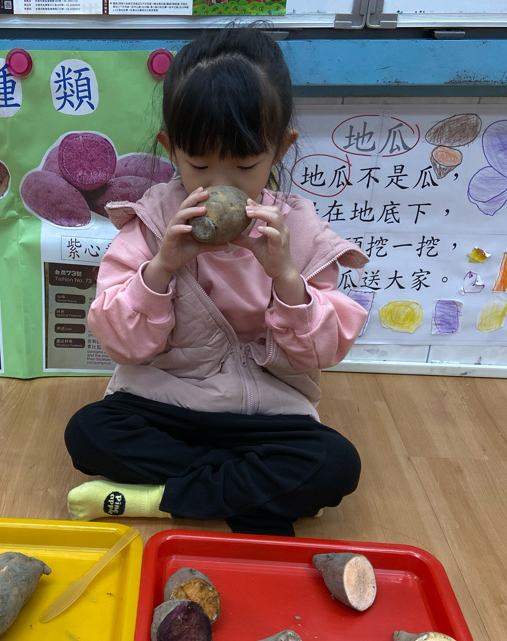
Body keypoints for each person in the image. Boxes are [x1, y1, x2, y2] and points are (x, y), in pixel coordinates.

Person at [63, 25, 369, 537]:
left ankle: (158, 500)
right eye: (200, 165)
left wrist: (286, 278)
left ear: (280, 149)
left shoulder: (299, 232)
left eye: (245, 165)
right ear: (170, 148)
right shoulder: (151, 224)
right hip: (165, 404)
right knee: (87, 433)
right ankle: (255, 493)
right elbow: (123, 345)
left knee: (337, 464)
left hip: (264, 417)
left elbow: (324, 351)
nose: (220, 185)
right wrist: (160, 269)